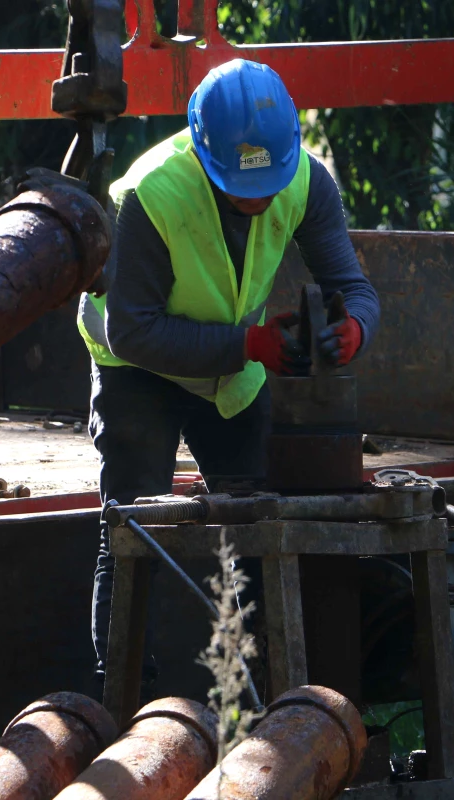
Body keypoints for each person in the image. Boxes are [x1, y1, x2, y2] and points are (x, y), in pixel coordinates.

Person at [76, 58, 380, 685]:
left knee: (262, 529)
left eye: (270, 182)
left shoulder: (305, 182)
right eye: (243, 187)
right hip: (136, 367)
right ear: (203, 151)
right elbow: (133, 330)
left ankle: (269, 700)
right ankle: (125, 703)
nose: (260, 198)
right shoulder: (150, 194)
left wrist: (356, 330)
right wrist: (250, 345)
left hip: (235, 368)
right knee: (133, 532)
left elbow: (354, 286)